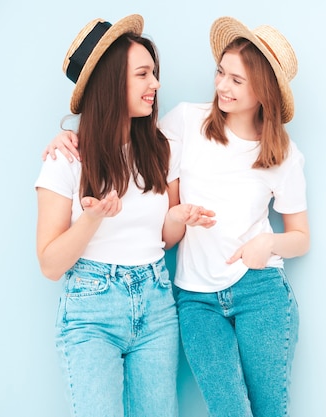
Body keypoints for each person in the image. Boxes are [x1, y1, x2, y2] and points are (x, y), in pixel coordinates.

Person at [44, 16, 309, 417]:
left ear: (264, 90)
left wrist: (258, 240)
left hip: (218, 294)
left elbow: (298, 236)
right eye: (221, 73)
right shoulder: (182, 122)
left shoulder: (279, 155)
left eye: (237, 80)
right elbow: (50, 262)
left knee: (269, 409)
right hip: (167, 299)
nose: (222, 86)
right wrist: (70, 141)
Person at [35, 14, 214, 417]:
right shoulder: (65, 160)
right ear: (112, 83)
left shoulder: (159, 148)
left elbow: (163, 239)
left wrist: (179, 217)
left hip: (156, 303)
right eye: (143, 74)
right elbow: (49, 263)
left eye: (155, 73)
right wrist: (92, 219)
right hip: (91, 309)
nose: (156, 84)